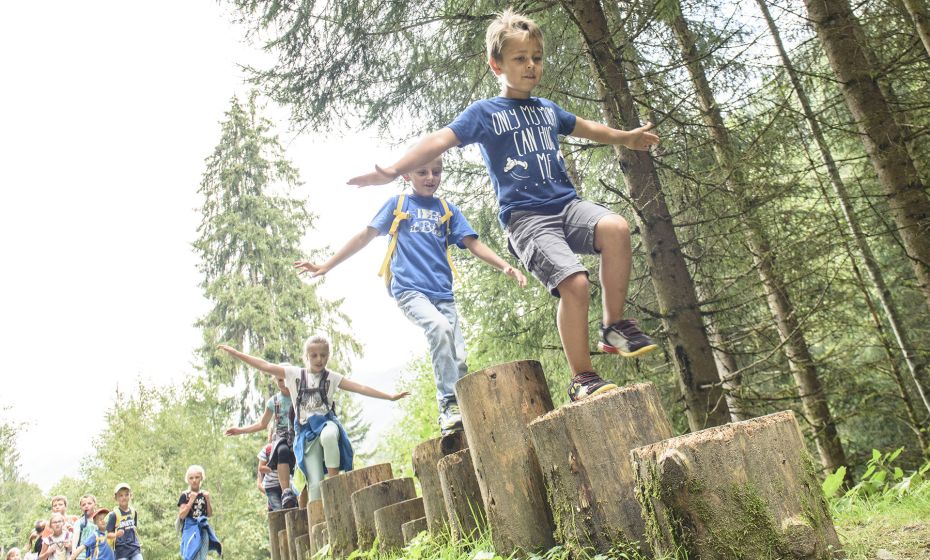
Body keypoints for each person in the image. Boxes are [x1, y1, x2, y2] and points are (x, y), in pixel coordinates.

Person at [348, 9, 661, 402]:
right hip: (528, 220)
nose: (531, 66)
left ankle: (614, 327)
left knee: (615, 227)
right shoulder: (485, 114)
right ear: (497, 64)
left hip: (567, 205)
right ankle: (583, 377)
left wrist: (625, 138)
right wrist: (394, 169)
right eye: (520, 58)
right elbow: (439, 140)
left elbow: (587, 127)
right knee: (575, 283)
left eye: (537, 58)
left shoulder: (547, 109)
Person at [296, 155, 526, 433]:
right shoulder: (398, 205)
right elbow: (364, 236)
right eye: (422, 172)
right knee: (439, 329)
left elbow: (472, 243)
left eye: (437, 172)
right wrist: (326, 265)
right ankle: (448, 404)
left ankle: (462, 414)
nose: (431, 177)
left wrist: (505, 266)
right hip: (409, 290)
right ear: (407, 175)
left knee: (459, 357)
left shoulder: (447, 209)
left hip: (442, 293)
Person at [218, 334, 409, 500]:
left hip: (326, 424)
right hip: (306, 433)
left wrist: (390, 397)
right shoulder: (293, 374)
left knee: (328, 435)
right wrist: (236, 353)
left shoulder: (332, 377)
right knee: (315, 487)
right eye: (314, 355)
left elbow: (360, 387)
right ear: (306, 356)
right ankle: (322, 528)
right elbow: (265, 365)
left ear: (328, 356)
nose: (319, 359)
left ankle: (335, 482)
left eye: (323, 355)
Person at [224, 376, 299, 507]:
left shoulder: (299, 396)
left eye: (287, 379)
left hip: (298, 433)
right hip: (282, 436)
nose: (284, 383)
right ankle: (286, 491)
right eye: (280, 380)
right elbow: (262, 424)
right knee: (282, 450)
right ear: (275, 381)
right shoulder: (274, 402)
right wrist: (240, 431)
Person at [177, 466, 221, 560]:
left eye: (197, 477)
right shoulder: (185, 495)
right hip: (190, 528)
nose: (194, 480)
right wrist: (191, 501)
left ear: (201, 478)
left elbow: (209, 514)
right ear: (187, 480)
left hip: (203, 527)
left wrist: (207, 499)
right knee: (190, 555)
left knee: (202, 556)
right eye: (191, 478)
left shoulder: (204, 494)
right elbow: (182, 515)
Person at [105, 483, 141, 560]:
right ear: (115, 498)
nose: (124, 497)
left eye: (126, 494)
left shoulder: (133, 512)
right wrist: (116, 534)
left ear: (131, 496)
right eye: (120, 495)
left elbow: (134, 529)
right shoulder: (114, 515)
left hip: (134, 548)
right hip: (121, 550)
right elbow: (107, 535)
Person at [257, 443, 284, 511]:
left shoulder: (286, 446)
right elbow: (260, 469)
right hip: (271, 486)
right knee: (278, 509)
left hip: (286, 485)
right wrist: (272, 468)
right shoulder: (267, 449)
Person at [70, 495, 97, 560]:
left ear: (95, 504)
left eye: (89, 503)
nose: (86, 506)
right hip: (82, 556)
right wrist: (74, 555)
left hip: (97, 554)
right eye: (83, 505)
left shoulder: (101, 521)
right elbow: (75, 541)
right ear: (81, 508)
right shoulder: (79, 522)